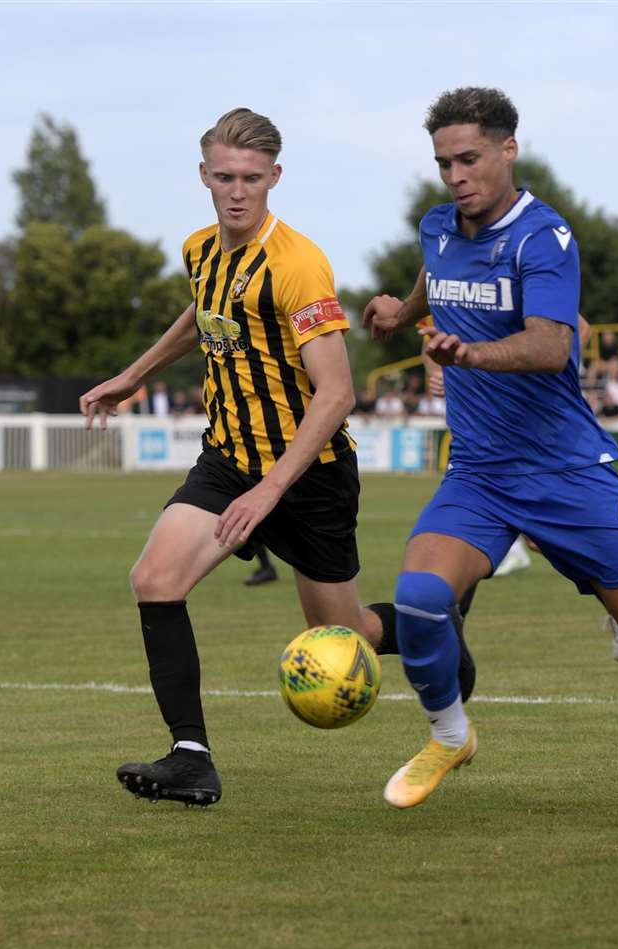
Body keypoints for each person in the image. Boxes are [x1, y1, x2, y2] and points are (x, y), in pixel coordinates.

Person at [360, 86, 618, 829]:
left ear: (509, 150)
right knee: (418, 598)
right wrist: (402, 311)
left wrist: (467, 350)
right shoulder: (437, 228)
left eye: (469, 159)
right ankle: (451, 738)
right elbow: (436, 279)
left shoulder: (543, 238)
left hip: (564, 472)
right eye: (444, 162)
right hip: (480, 474)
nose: (455, 175)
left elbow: (551, 347)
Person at [78, 107, 469, 807]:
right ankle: (191, 757)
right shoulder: (201, 249)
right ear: (203, 175)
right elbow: (203, 313)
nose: (237, 191)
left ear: (275, 178)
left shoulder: (296, 264)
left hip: (308, 475)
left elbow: (338, 393)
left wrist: (269, 493)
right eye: (224, 176)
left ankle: (430, 626)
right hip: (227, 460)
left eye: (252, 178)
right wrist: (137, 372)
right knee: (154, 578)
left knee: (345, 633)